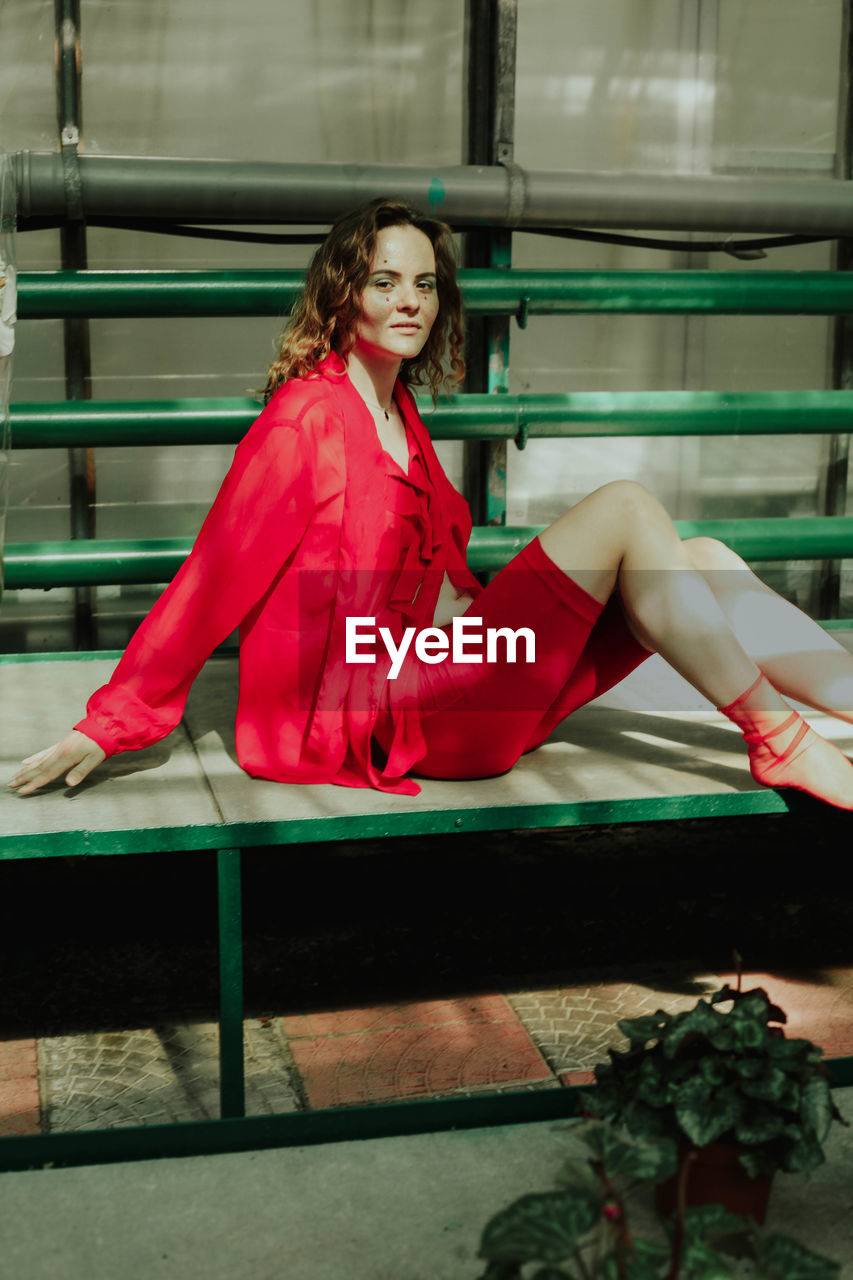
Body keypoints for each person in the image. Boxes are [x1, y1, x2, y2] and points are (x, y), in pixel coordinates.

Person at [9, 198, 853, 808]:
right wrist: (110, 723)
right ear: (341, 294)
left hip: (466, 677)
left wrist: (491, 630)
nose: (410, 299)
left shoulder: (396, 411)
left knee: (701, 558)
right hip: (394, 710)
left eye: (424, 283)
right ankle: (778, 742)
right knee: (628, 505)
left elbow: (440, 576)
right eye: (384, 280)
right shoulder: (304, 421)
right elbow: (211, 581)